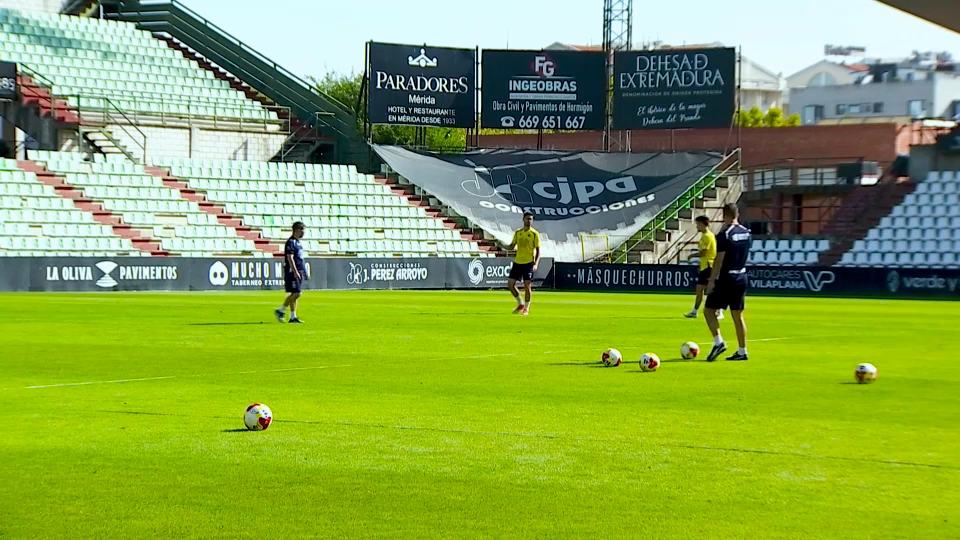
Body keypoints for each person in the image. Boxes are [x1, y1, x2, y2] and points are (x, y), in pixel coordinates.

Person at [704, 203, 751, 362]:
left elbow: (719, 260)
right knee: (738, 316)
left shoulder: (725, 234)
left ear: (725, 215)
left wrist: (712, 281)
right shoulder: (746, 233)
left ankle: (719, 342)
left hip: (727, 278)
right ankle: (742, 351)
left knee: (709, 311)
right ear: (737, 214)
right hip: (742, 276)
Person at [684, 215, 724, 321]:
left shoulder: (707, 236)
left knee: (708, 289)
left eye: (698, 224)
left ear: (702, 224)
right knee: (701, 289)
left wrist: (692, 255)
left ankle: (719, 311)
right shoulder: (707, 235)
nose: (696, 226)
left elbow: (704, 252)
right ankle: (695, 311)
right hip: (705, 266)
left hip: (709, 266)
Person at [503, 212, 541, 316]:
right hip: (518, 262)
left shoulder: (534, 234)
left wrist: (536, 264)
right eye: (527, 219)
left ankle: (526, 308)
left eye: (531, 219)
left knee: (527, 286)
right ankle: (520, 303)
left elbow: (538, 251)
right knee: (510, 284)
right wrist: (501, 245)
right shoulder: (518, 233)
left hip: (528, 263)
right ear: (523, 219)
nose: (529, 221)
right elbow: (511, 246)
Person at [275, 221, 306, 324]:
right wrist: (295, 271)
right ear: (296, 230)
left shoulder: (298, 242)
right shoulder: (291, 242)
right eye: (302, 229)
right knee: (297, 293)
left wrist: (303, 271)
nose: (303, 232)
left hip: (299, 270)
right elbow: (290, 258)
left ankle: (293, 317)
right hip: (292, 271)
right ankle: (281, 310)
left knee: (294, 294)